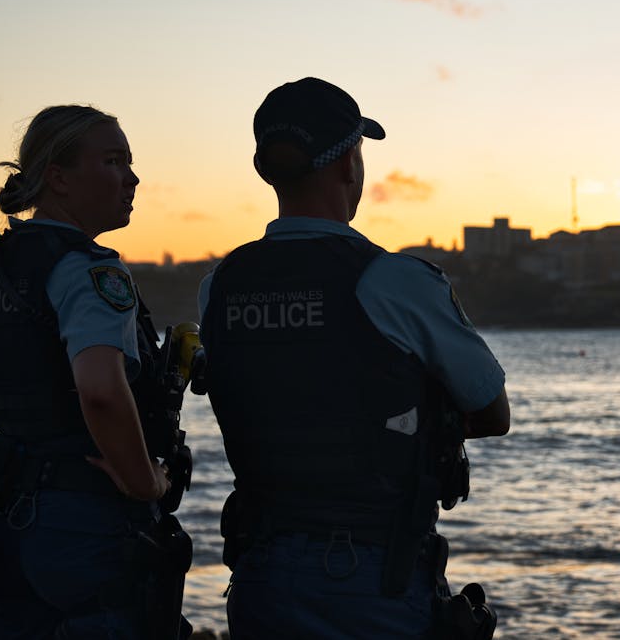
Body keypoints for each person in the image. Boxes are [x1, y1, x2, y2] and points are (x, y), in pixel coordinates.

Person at [200, 77, 510, 639]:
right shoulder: (394, 281)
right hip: (370, 572)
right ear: (348, 162)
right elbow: (492, 412)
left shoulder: (220, 286)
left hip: (260, 568)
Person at [0, 105, 194, 638]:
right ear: (58, 178)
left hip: (10, 528)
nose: (132, 177)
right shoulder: (91, 271)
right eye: (112, 161)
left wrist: (1, 510)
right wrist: (147, 482)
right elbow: (99, 390)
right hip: (93, 527)